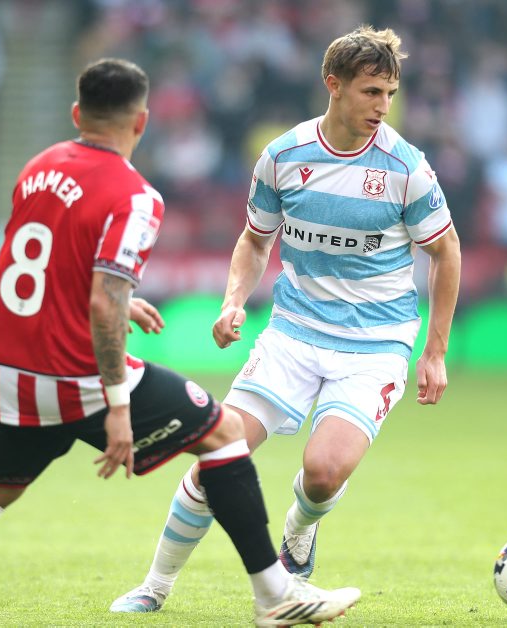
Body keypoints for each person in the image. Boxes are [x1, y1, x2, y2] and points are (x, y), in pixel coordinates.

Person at [0, 58, 361, 628]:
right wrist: (119, 406)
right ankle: (275, 595)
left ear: (77, 114)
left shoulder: (38, 169)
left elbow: (47, 269)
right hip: (77, 375)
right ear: (141, 122)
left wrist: (120, 303)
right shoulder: (136, 196)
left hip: (7, 370)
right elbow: (103, 303)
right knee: (224, 436)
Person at [111, 26, 461, 613]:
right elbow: (255, 241)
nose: (383, 106)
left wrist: (435, 351)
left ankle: (300, 528)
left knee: (323, 472)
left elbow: (446, 251)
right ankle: (154, 586)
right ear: (333, 84)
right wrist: (232, 301)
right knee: (218, 454)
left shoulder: (407, 168)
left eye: (389, 94)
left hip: (375, 342)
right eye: (371, 91)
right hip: (293, 333)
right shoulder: (283, 156)